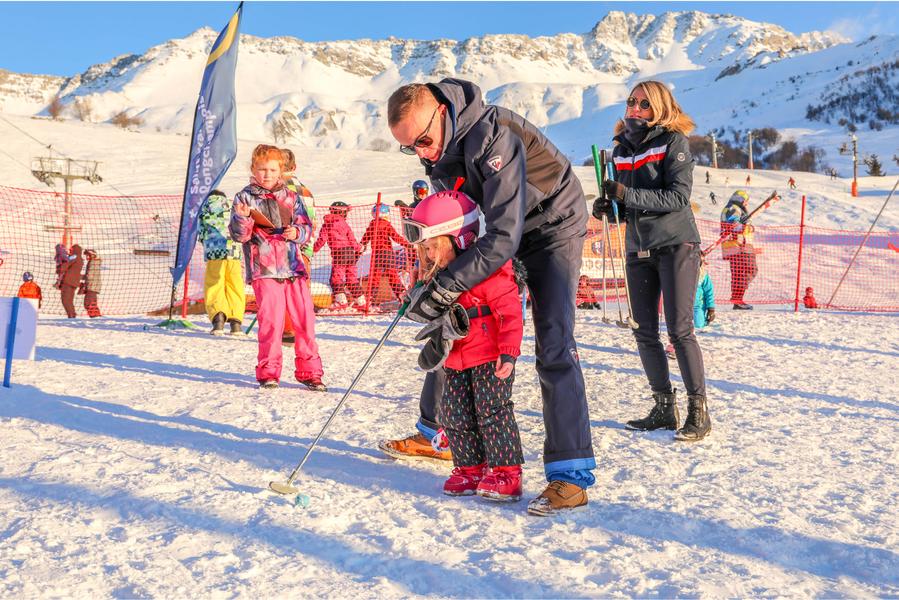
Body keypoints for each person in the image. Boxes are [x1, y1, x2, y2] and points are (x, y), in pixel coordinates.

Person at [385, 79, 595, 516]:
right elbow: (454, 222)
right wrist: (433, 281)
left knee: (553, 340)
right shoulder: (439, 149)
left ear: (441, 113)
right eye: (411, 149)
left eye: (423, 141)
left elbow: (502, 236)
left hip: (552, 223)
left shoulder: (493, 135)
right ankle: (436, 432)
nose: (422, 153)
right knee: (455, 326)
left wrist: (448, 284)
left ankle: (569, 476)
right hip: (501, 231)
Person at [594, 79, 711, 442]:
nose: (635, 108)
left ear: (659, 107)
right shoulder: (619, 148)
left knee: (679, 330)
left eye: (644, 104)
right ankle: (663, 407)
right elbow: (624, 204)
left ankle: (697, 410)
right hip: (637, 247)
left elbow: (677, 198)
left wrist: (628, 193)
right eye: (631, 102)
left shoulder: (673, 141)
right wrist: (609, 208)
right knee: (643, 331)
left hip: (676, 243)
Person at [407, 190, 525, 501]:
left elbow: (511, 315)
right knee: (455, 413)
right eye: (426, 249)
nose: (430, 255)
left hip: (490, 358)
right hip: (455, 359)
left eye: (435, 247)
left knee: (492, 412)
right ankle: (470, 467)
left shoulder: (490, 272)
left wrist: (509, 353)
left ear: (459, 239)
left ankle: (506, 471)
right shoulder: (439, 277)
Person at [229, 144, 325, 391]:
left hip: (293, 267)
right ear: (253, 169)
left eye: (272, 169)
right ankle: (268, 371)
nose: (267, 174)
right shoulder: (244, 197)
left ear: (281, 171)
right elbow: (239, 236)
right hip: (265, 268)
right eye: (262, 169)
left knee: (305, 319)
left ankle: (310, 372)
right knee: (272, 321)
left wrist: (298, 232)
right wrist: (243, 218)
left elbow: (306, 227)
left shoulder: (292, 197)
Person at [281, 149, 317, 345]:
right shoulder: (307, 192)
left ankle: (287, 330)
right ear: (294, 167)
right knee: (301, 291)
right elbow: (313, 221)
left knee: (283, 289)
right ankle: (302, 329)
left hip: (284, 247)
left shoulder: (277, 189)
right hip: (305, 247)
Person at [199, 189, 246, 335]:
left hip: (214, 252)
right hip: (234, 251)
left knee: (214, 283)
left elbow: (200, 232)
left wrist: (206, 243)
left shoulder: (204, 209)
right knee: (234, 284)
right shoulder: (232, 207)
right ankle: (236, 322)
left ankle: (218, 318)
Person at [313, 201, 366, 310]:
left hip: (339, 254)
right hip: (350, 253)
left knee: (336, 279)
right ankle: (361, 303)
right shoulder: (345, 224)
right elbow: (352, 239)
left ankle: (341, 302)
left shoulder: (327, 223)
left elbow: (322, 239)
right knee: (351, 278)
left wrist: (314, 249)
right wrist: (359, 248)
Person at [360, 204, 411, 305]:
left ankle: (370, 300)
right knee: (392, 275)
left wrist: (362, 245)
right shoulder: (387, 225)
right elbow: (395, 236)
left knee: (374, 277)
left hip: (376, 254)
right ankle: (401, 295)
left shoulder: (372, 225)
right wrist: (407, 244)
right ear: (385, 214)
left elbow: (366, 237)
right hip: (387, 254)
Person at [720, 190, 758, 310]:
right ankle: (737, 299)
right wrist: (745, 224)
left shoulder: (735, 208)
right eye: (745, 201)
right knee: (748, 271)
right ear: (739, 199)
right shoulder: (732, 208)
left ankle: (737, 300)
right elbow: (733, 226)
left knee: (740, 273)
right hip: (738, 246)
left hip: (739, 246)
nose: (747, 203)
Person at [59, 244, 83, 318]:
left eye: (71, 250)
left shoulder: (74, 256)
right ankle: (72, 314)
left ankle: (71, 315)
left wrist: (60, 268)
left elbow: (66, 264)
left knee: (65, 300)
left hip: (68, 281)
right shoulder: (80, 258)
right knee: (69, 300)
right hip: (74, 282)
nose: (70, 251)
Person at [694, 257, 715, 328]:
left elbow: (709, 292)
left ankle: (703, 319)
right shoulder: (683, 273)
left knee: (699, 325)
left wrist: (711, 308)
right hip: (683, 306)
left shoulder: (703, 275)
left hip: (697, 306)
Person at [81, 249, 103, 318]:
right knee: (91, 302)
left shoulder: (93, 262)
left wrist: (78, 277)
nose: (87, 257)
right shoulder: (93, 262)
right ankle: (96, 316)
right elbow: (89, 275)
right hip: (93, 286)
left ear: (93, 255)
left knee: (88, 303)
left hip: (92, 286)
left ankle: (95, 316)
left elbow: (89, 275)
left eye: (88, 255)